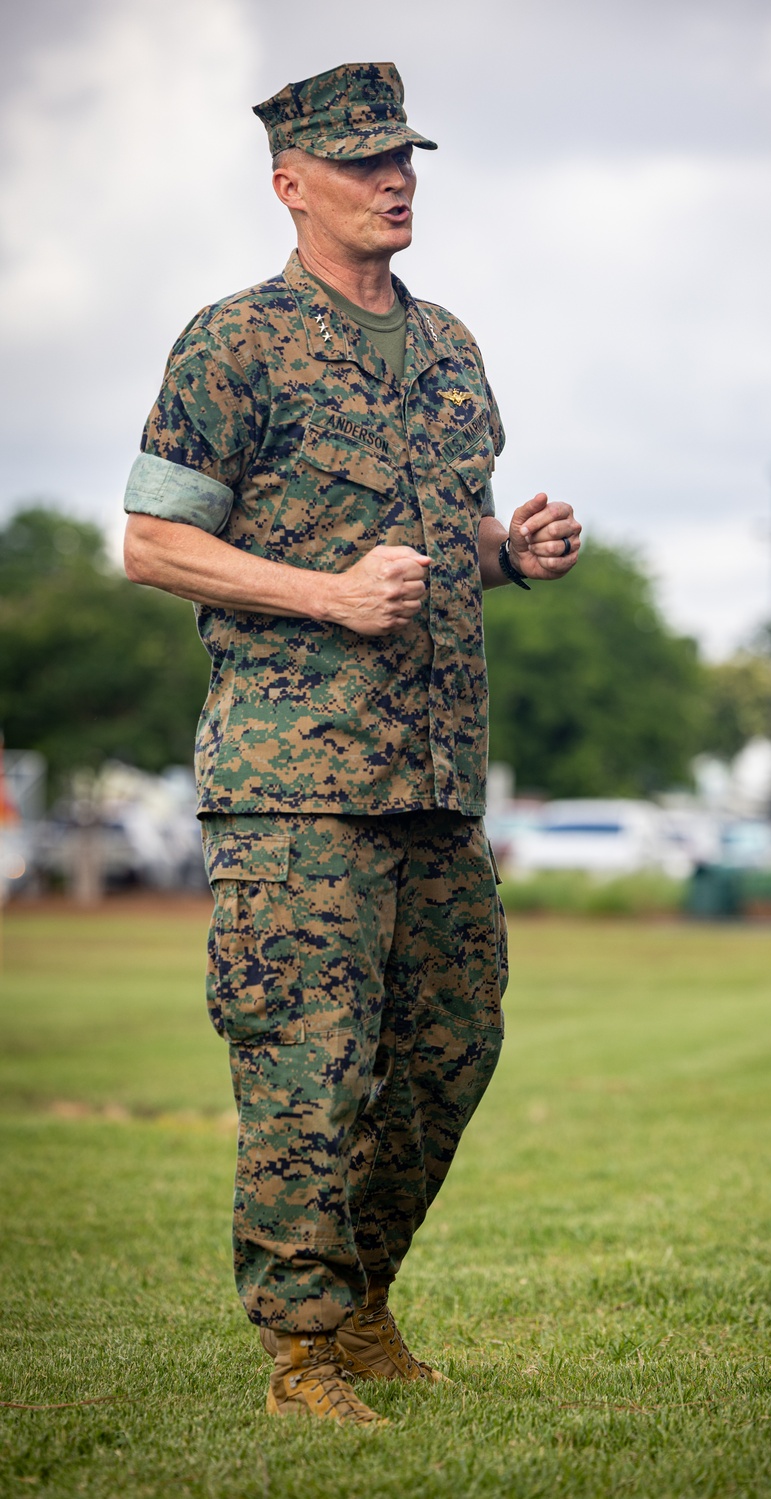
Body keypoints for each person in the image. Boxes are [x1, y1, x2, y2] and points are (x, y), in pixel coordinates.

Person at [122, 61, 581, 1426]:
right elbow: (150, 542)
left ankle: (367, 1304)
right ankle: (303, 1354)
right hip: (294, 783)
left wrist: (516, 552)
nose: (397, 180)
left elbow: (449, 547)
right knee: (308, 1063)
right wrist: (322, 594)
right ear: (291, 184)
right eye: (367, 161)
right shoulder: (234, 344)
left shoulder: (449, 348)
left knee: (453, 1046)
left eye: (407, 159)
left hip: (436, 777)